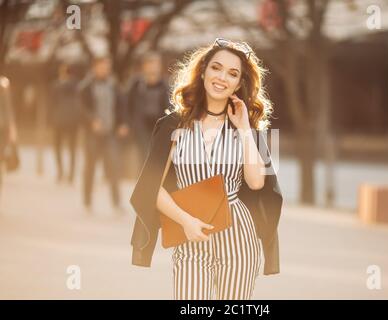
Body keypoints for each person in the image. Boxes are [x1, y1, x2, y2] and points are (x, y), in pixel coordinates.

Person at [129, 38, 283, 300]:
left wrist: (244, 127)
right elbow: (151, 187)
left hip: (239, 239)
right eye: (216, 68)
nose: (222, 77)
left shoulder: (248, 129)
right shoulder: (172, 125)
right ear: (203, 71)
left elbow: (257, 183)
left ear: (239, 83)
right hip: (189, 237)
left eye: (232, 73)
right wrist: (185, 221)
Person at [79, 56, 129, 213]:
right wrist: (92, 120)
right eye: (102, 67)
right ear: (95, 67)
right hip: (92, 135)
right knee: (90, 168)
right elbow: (81, 109)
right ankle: (87, 202)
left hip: (110, 134)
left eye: (107, 67)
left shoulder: (114, 85)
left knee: (113, 168)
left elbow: (121, 105)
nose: (105, 69)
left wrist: (122, 124)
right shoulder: (86, 87)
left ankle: (116, 203)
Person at [127, 52, 169, 165]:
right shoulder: (136, 84)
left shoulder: (165, 85)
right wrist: (129, 123)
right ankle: (143, 181)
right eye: (149, 64)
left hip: (158, 126)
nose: (152, 67)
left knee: (157, 155)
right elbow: (128, 104)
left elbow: (170, 107)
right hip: (141, 126)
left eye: (155, 64)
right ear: (144, 67)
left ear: (159, 66)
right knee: (144, 154)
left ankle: (154, 180)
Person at [49, 63, 81, 184]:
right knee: (62, 148)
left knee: (68, 148)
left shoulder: (68, 84)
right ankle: (63, 172)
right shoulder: (69, 84)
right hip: (63, 121)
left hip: (67, 121)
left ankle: (66, 174)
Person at [0, 76, 18, 198]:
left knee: (1, 158)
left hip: (2, 128)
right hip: (2, 127)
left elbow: (8, 108)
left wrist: (12, 129)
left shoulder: (3, 84)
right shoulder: (3, 84)